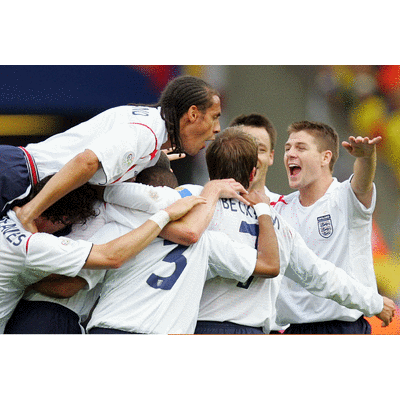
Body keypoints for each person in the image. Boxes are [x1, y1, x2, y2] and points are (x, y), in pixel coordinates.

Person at [101, 127, 395, 333]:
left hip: (193, 323)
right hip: (252, 328)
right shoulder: (276, 221)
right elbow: (319, 274)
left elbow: (132, 198)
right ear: (253, 173)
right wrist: (373, 301)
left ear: (209, 166)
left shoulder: (187, 200)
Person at [0, 75, 221, 232]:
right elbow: (86, 162)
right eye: (214, 117)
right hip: (16, 176)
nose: (218, 128)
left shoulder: (151, 132)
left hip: (16, 172)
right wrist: (30, 212)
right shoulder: (147, 133)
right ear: (193, 114)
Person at [85, 163, 279, 334]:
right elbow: (269, 265)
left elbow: (74, 283)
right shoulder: (206, 241)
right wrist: (263, 210)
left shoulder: (118, 227)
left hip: (110, 326)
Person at [0, 175, 206, 333]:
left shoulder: (11, 214)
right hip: (51, 316)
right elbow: (67, 286)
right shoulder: (113, 223)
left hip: (28, 313)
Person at [274, 121, 382, 334]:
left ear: (325, 157)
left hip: (342, 327)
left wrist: (366, 157)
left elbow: (362, 183)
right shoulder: (280, 209)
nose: (290, 154)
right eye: (287, 148)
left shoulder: (344, 197)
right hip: (295, 329)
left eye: (301, 148)